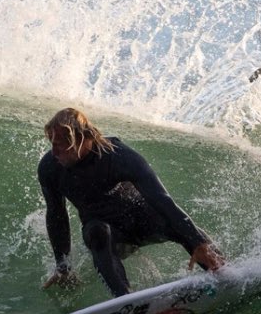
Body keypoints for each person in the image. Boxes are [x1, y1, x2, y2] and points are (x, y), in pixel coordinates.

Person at [38, 108, 225, 296]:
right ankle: (125, 302)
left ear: (82, 138)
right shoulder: (49, 168)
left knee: (177, 225)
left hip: (144, 221)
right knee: (97, 231)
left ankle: (224, 273)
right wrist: (63, 267)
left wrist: (198, 242)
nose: (53, 152)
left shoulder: (117, 155)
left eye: (60, 145)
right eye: (52, 143)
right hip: (110, 235)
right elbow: (56, 215)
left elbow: (161, 199)